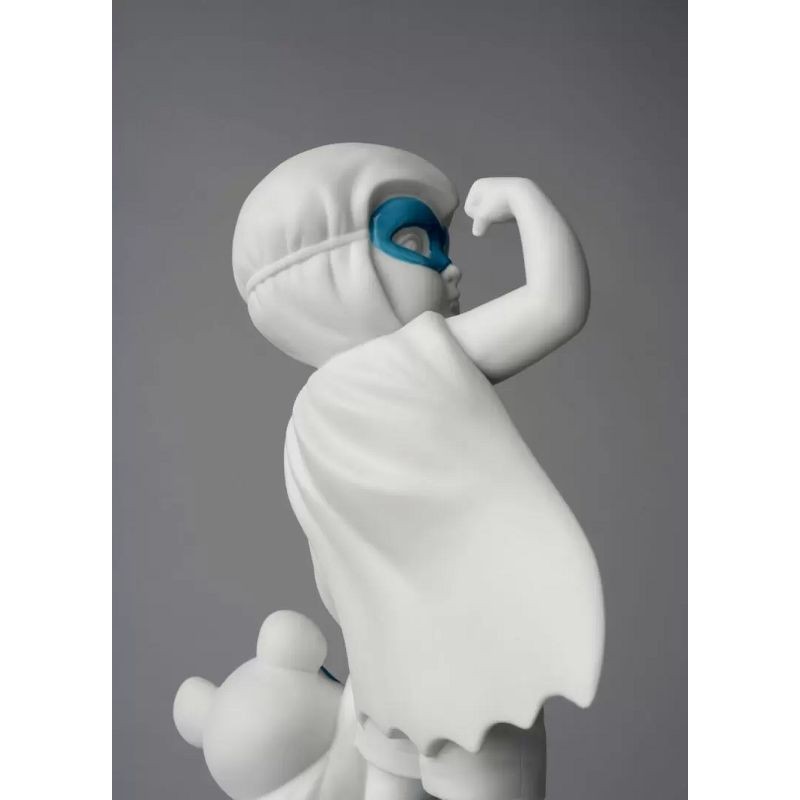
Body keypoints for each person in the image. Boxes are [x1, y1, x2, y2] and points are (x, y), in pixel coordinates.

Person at [184, 142, 604, 800]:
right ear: (336, 271)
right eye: (415, 243)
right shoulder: (419, 357)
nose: (452, 267)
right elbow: (556, 304)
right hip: (470, 685)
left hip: (385, 687)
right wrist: (526, 199)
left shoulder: (306, 421)